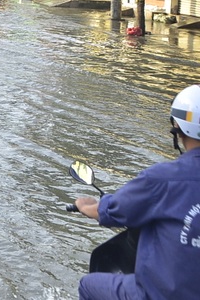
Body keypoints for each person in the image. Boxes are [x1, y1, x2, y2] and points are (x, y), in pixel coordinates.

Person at [73, 85, 200, 300]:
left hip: (159, 295)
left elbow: (114, 210)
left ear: (177, 126)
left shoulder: (162, 179)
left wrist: (85, 206)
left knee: (88, 285)